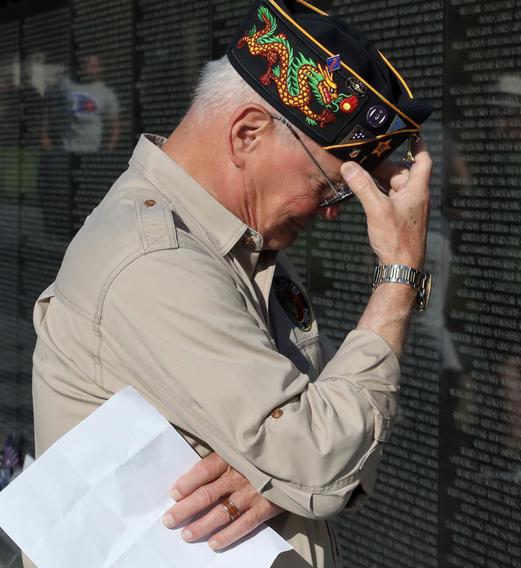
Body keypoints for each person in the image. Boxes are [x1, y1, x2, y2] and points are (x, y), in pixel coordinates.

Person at [27, 1, 432, 566]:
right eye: (331, 185)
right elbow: (325, 457)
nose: (333, 211)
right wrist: (399, 274)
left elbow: (327, 442)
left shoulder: (240, 244)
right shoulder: (155, 259)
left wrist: (279, 476)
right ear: (247, 133)